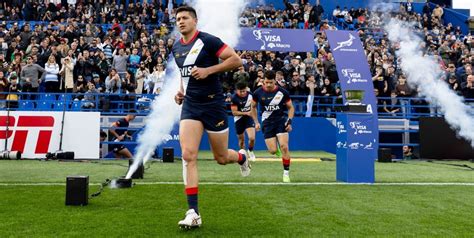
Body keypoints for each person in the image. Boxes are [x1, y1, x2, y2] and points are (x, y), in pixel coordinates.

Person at [171, 6, 250, 229]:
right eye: (178, 19)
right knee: (188, 155)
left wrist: (208, 71)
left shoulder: (208, 41)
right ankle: (193, 212)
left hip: (213, 105)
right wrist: (181, 92)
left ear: (195, 21)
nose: (181, 21)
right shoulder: (176, 47)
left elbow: (236, 61)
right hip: (191, 107)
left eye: (185, 18)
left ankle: (242, 158)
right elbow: (183, 74)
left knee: (222, 157)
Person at [251, 70, 295, 183]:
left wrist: (289, 121)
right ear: (263, 81)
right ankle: (277, 150)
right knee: (272, 150)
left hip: (281, 121)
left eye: (271, 82)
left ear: (275, 80)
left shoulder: (283, 92)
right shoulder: (257, 93)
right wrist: (256, 122)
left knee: (284, 146)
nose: (269, 84)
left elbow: (291, 107)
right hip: (267, 122)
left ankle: (286, 173)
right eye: (267, 82)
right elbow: (253, 107)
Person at [230, 81, 257, 161]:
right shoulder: (234, 98)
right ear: (236, 90)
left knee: (252, 138)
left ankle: (250, 151)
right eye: (240, 91)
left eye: (244, 91)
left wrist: (256, 121)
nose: (242, 93)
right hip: (239, 119)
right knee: (241, 141)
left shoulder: (251, 95)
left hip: (248, 118)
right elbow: (234, 112)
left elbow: (254, 108)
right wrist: (246, 113)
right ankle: (243, 157)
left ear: (246, 89)